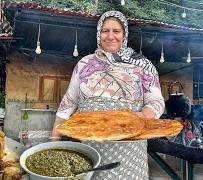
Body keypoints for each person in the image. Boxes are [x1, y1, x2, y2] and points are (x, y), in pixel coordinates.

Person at [51, 10, 165, 180]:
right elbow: (68, 103)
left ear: (124, 34)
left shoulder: (143, 65)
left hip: (129, 153)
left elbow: (156, 101)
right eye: (105, 31)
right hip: (90, 151)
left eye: (116, 31)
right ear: (99, 34)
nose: (110, 36)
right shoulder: (84, 64)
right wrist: (54, 140)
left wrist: (143, 115)